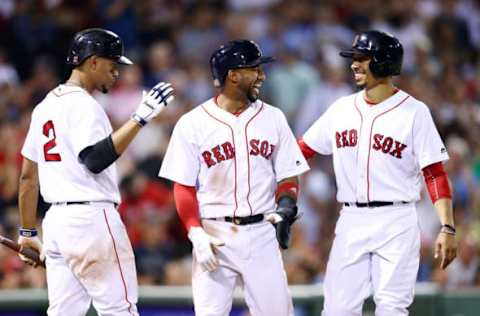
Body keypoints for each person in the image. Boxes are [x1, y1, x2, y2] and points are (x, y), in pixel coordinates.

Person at [297, 30, 457, 315]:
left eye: (362, 58)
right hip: (351, 218)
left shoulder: (414, 112)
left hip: (396, 220)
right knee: (336, 309)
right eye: (354, 58)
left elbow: (434, 173)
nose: (354, 64)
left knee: (392, 308)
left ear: (383, 62)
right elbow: (302, 150)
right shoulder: (342, 108)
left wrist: (447, 226)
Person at [17, 28, 174, 316]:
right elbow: (94, 160)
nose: (116, 73)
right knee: (119, 310)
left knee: (64, 312)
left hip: (56, 223)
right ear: (92, 62)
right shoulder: (86, 106)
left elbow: (28, 176)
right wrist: (140, 118)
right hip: (92, 220)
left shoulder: (44, 107)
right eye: (112, 65)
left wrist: (27, 231)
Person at [159, 39, 309, 316]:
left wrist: (286, 206)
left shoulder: (273, 118)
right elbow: (183, 187)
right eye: (255, 69)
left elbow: (288, 176)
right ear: (233, 75)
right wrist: (195, 232)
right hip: (215, 235)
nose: (262, 76)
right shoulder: (193, 123)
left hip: (262, 232)